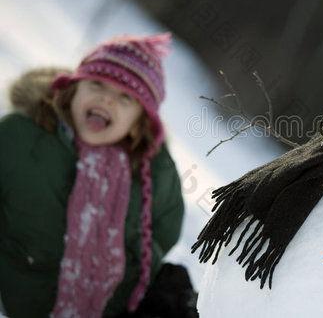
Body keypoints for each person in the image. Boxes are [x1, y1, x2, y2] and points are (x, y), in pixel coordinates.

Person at [0, 33, 186, 317]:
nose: (107, 99)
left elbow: (164, 230)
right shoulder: (20, 136)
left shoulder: (154, 172)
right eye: (97, 83)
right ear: (72, 89)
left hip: (113, 307)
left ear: (138, 124)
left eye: (125, 97)